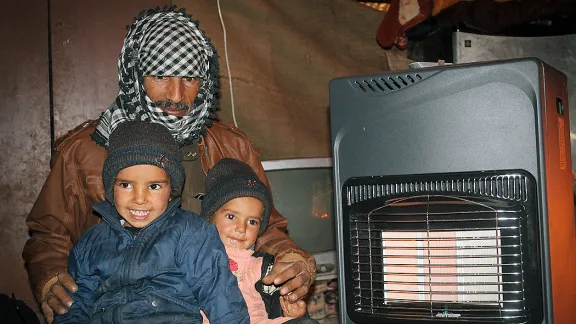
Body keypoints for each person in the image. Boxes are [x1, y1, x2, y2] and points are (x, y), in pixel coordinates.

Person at [22, 6, 315, 323]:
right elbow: (48, 235)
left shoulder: (233, 147)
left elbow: (266, 228)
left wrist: (295, 261)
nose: (176, 95)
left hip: (225, 305)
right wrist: (51, 277)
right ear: (135, 74)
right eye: (161, 74)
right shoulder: (83, 151)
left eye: (190, 77)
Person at [54, 121, 249, 324]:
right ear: (112, 188)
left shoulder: (191, 233)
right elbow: (75, 305)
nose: (140, 198)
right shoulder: (91, 242)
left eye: (154, 186)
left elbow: (219, 293)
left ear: (171, 190)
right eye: (126, 185)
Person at [200, 158, 318, 324]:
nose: (241, 228)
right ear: (210, 217)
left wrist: (291, 311)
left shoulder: (262, 265)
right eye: (231, 216)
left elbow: (275, 302)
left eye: (252, 222)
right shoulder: (194, 256)